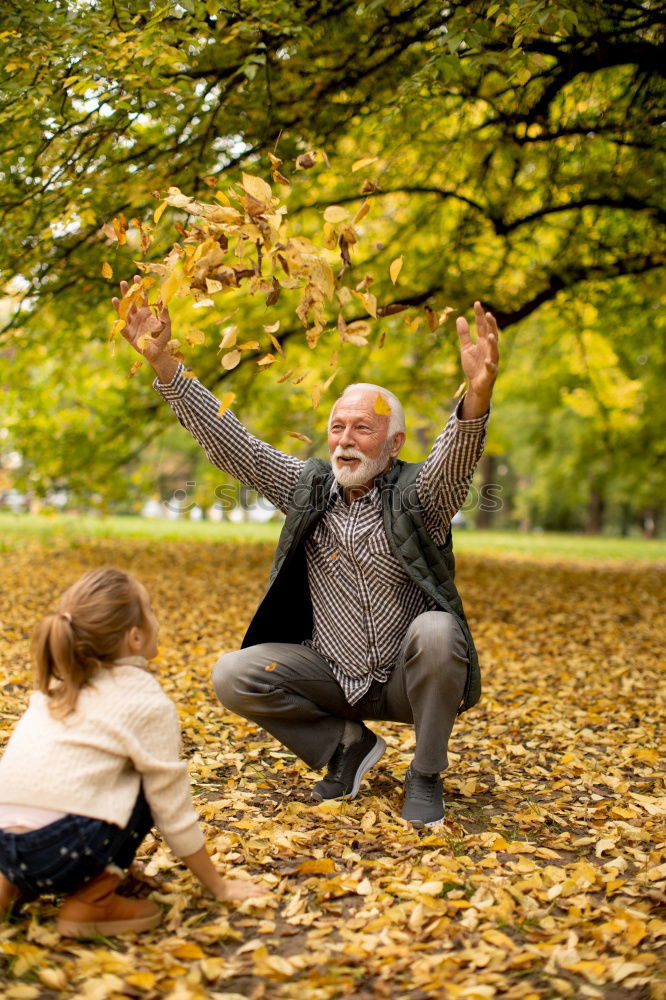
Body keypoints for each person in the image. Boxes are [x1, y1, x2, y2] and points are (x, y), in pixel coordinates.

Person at [114, 277, 500, 827]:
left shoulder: (422, 496)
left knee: (438, 631)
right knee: (235, 673)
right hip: (331, 674)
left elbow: (454, 457)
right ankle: (345, 747)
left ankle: (425, 774)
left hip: (406, 684)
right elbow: (237, 447)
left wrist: (477, 398)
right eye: (337, 426)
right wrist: (167, 369)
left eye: (363, 429)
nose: (345, 439)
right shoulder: (308, 487)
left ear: (393, 445)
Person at [0, 567, 264, 937]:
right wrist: (219, 887)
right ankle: (91, 902)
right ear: (135, 637)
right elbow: (170, 806)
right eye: (151, 610)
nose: (157, 619)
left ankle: (9, 888)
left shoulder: (57, 686)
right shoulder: (144, 701)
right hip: (65, 850)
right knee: (147, 781)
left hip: (5, 847)